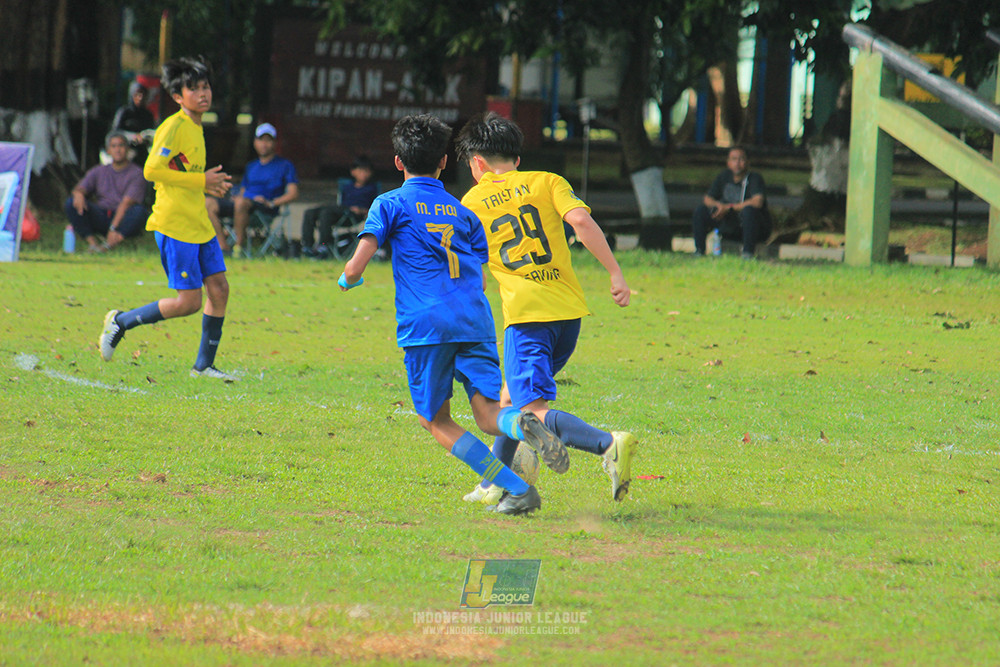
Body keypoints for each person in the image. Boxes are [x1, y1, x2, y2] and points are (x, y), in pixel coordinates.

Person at [339, 114, 570, 516]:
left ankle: (517, 489)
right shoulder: (464, 211)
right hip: (475, 320)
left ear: (398, 163)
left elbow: (357, 265)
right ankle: (521, 425)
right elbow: (479, 278)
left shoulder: (389, 203)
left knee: (436, 420)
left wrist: (346, 280)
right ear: (444, 162)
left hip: (427, 327)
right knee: (488, 414)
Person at [454, 111, 637, 505]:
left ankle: (608, 444)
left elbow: (471, 269)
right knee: (508, 399)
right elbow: (581, 223)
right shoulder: (547, 181)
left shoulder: (471, 202)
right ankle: (494, 482)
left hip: (527, 319)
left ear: (476, 164)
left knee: (530, 412)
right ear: (517, 160)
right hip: (568, 315)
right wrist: (615, 272)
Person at [98, 56, 236, 381]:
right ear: (177, 97)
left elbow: (181, 173)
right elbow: (151, 170)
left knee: (219, 288)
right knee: (188, 302)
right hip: (175, 225)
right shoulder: (173, 127)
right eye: (194, 89)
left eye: (206, 87)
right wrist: (202, 182)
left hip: (197, 223)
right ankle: (122, 321)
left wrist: (206, 186)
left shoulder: (197, 126)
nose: (203, 94)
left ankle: (203, 367)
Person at [206, 123, 299, 255]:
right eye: (261, 140)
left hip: (264, 207)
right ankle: (222, 246)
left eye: (268, 140)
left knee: (241, 203)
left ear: (275, 143)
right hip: (242, 204)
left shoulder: (285, 165)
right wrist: (238, 197)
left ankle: (239, 245)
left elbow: (293, 193)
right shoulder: (251, 166)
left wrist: (272, 203)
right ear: (255, 142)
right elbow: (244, 190)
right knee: (208, 203)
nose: (264, 144)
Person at [64, 131, 149, 253]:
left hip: (123, 216)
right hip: (103, 214)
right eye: (113, 146)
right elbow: (80, 188)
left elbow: (126, 203)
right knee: (71, 203)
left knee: (139, 212)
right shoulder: (99, 170)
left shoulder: (137, 173)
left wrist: (113, 228)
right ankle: (92, 243)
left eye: (121, 146)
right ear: (108, 151)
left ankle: (110, 243)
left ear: (127, 149)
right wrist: (79, 194)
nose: (117, 150)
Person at [691, 146, 771, 259]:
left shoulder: (754, 178)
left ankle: (748, 253)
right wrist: (718, 206)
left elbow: (757, 202)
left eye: (741, 159)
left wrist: (729, 207)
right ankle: (699, 250)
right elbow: (707, 198)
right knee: (701, 211)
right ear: (728, 162)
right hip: (728, 222)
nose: (737, 163)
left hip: (750, 225)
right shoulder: (724, 177)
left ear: (747, 162)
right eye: (734, 159)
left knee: (749, 211)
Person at [301, 155, 378, 259]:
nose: (363, 174)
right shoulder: (348, 187)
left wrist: (360, 210)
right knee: (310, 212)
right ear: (353, 172)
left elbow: (374, 209)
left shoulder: (371, 189)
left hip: (353, 215)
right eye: (360, 171)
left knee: (326, 212)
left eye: (366, 171)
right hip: (340, 211)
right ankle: (307, 245)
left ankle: (323, 245)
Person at [110, 81, 157, 165]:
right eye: (137, 94)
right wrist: (133, 136)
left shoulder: (148, 115)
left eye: (143, 95)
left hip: (143, 153)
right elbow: (115, 132)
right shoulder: (124, 112)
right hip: (125, 152)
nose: (140, 98)